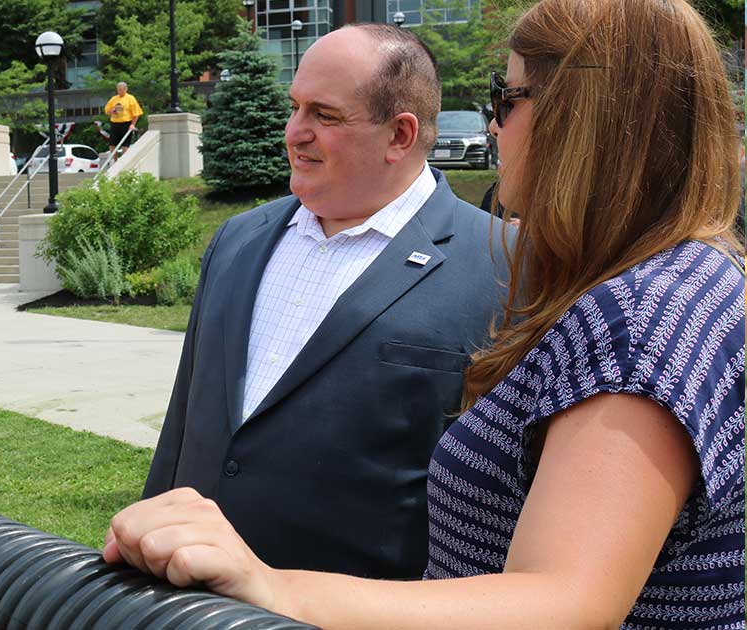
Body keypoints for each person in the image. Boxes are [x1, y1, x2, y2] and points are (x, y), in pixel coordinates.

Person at [107, 0, 745, 627]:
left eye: (506, 98)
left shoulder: (641, 311)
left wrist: (276, 589)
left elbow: (568, 602)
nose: (493, 126)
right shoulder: (673, 284)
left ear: (580, 119)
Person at [140, 24, 510, 580]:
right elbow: (184, 424)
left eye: (324, 115)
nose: (294, 133)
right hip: (193, 603)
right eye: (294, 108)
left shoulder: (503, 266)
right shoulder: (238, 240)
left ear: (399, 136)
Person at [104, 82, 143, 157]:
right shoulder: (114, 99)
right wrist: (112, 111)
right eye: (118, 90)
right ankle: (114, 161)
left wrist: (132, 124)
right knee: (112, 145)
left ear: (126, 89)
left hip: (126, 123)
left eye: (122, 90)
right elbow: (107, 110)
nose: (120, 91)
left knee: (125, 145)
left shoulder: (130, 98)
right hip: (115, 123)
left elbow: (136, 113)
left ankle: (124, 161)